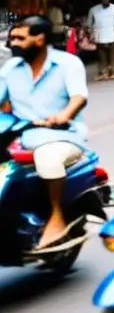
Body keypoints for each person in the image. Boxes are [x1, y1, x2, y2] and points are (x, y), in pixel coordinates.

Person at [0, 16, 89, 251]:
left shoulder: (68, 63)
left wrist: (63, 115)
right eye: (12, 38)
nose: (13, 43)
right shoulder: (10, 68)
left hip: (62, 135)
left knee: (47, 158)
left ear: (39, 39)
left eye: (20, 38)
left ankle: (56, 216)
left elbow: (78, 96)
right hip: (21, 137)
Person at [86, 0, 114, 80]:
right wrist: (92, 35)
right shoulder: (93, 10)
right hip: (100, 36)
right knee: (102, 55)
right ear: (100, 0)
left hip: (112, 35)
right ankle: (102, 72)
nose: (105, 0)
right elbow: (89, 24)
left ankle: (112, 71)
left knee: (112, 55)